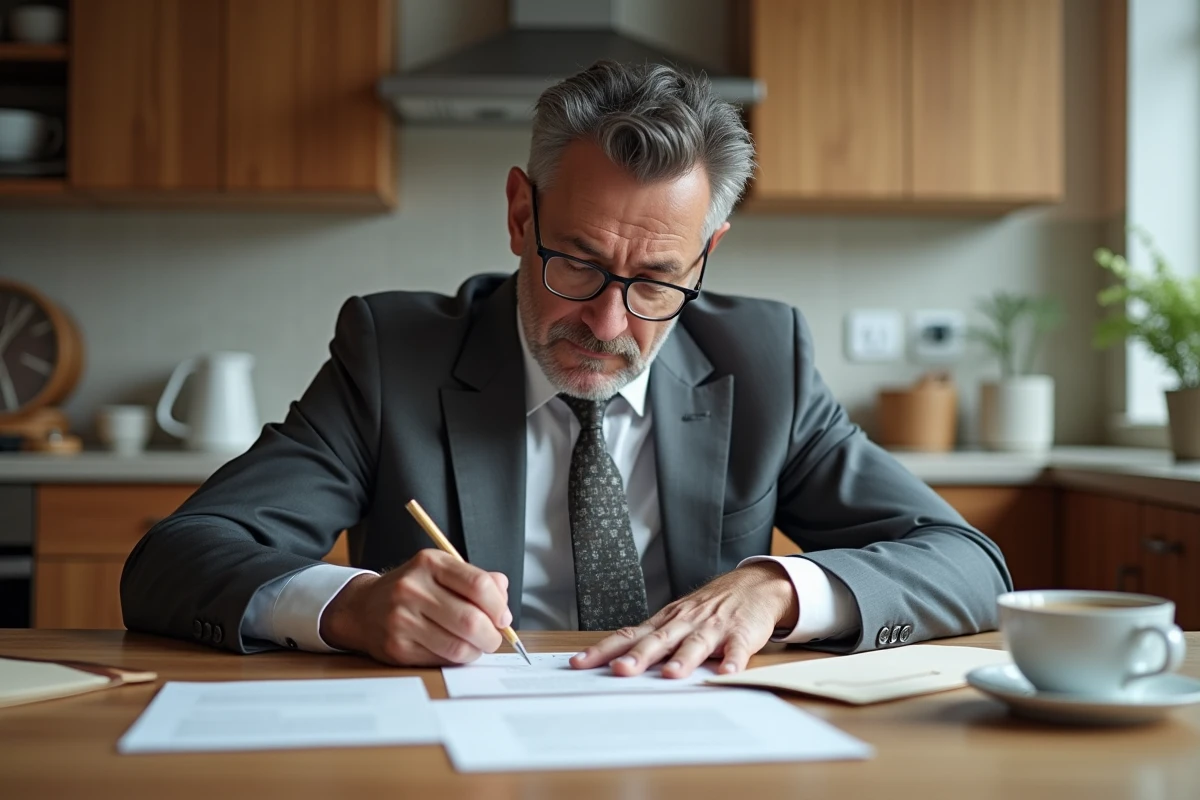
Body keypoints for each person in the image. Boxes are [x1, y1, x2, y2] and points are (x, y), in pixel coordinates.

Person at [121, 61, 1011, 678]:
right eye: (577, 263)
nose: (608, 321)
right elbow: (173, 562)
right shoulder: (394, 355)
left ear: (707, 257)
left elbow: (970, 565)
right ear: (520, 214)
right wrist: (346, 606)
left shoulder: (765, 361)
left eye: (658, 280)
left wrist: (777, 587)